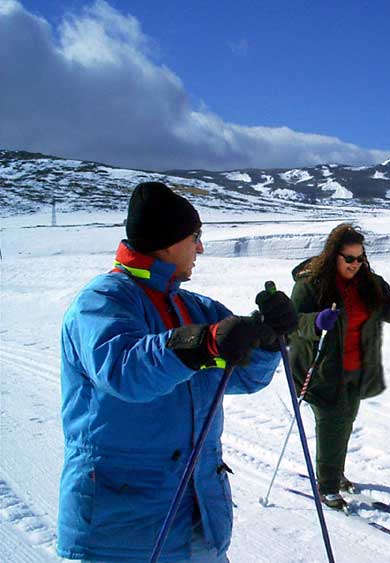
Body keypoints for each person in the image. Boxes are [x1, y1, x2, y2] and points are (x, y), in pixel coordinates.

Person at [57, 182, 297, 562]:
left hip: (198, 519)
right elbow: (125, 371)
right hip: (121, 533)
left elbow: (243, 377)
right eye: (195, 237)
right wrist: (200, 344)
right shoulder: (100, 303)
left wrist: (265, 338)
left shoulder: (196, 308)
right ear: (167, 243)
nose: (200, 248)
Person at [288, 223, 390, 509]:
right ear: (333, 255)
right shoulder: (311, 284)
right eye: (349, 258)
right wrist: (316, 322)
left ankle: (336, 473)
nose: (355, 264)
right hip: (319, 369)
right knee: (332, 422)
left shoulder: (369, 283)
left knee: (345, 422)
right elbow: (291, 324)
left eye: (360, 258)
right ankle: (327, 486)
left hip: (356, 367)